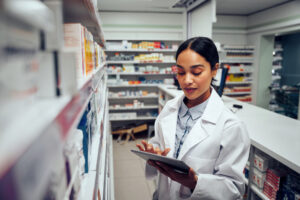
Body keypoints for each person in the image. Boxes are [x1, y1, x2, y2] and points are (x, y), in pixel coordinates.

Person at [136, 37, 250, 200]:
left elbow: (234, 189)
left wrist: (196, 182)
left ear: (214, 70)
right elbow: (159, 142)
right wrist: (154, 152)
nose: (187, 80)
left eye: (196, 72)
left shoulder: (231, 126)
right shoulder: (169, 108)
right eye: (181, 72)